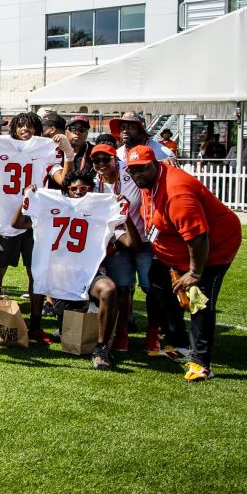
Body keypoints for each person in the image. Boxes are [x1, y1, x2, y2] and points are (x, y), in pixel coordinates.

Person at [126, 145, 243, 382]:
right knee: (159, 284)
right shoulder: (151, 181)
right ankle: (178, 342)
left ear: (155, 165)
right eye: (133, 170)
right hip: (174, 251)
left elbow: (198, 237)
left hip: (212, 250)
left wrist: (194, 272)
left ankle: (201, 363)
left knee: (199, 299)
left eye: (143, 169)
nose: (138, 174)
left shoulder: (177, 192)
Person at [12, 172, 138, 369]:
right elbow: (17, 223)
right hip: (58, 275)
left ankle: (102, 348)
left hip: (88, 274)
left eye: (84, 189)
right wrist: (26, 199)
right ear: (66, 191)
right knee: (62, 318)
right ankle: (36, 326)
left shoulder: (102, 209)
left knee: (109, 289)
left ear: (92, 191)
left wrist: (124, 213)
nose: (79, 192)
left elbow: (131, 243)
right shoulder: (51, 204)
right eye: (74, 189)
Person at [0, 111, 73, 344]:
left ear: (37, 131)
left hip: (34, 221)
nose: (25, 129)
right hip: (4, 219)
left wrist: (68, 153)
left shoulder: (44, 149)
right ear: (14, 129)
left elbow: (64, 181)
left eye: (30, 126)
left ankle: (36, 325)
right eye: (20, 125)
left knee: (36, 275)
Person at [90, 142, 158, 354]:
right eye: (96, 160)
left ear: (115, 159)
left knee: (151, 288)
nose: (101, 164)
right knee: (122, 287)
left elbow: (153, 176)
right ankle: (122, 333)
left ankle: (153, 333)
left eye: (106, 159)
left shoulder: (131, 175)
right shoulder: (93, 182)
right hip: (117, 239)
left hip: (144, 238)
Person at [109, 112, 176, 165]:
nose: (125, 131)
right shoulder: (118, 154)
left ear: (142, 131)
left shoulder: (163, 153)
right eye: (122, 128)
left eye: (131, 127)